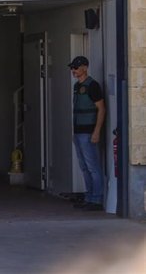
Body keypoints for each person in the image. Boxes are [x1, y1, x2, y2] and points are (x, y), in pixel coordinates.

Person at [69, 56, 106, 212]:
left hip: (88, 132)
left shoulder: (93, 85)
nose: (73, 71)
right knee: (84, 167)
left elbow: (101, 109)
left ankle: (96, 200)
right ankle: (89, 197)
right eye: (72, 68)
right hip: (78, 132)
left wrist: (96, 131)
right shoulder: (77, 86)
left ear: (84, 68)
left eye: (76, 68)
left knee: (93, 167)